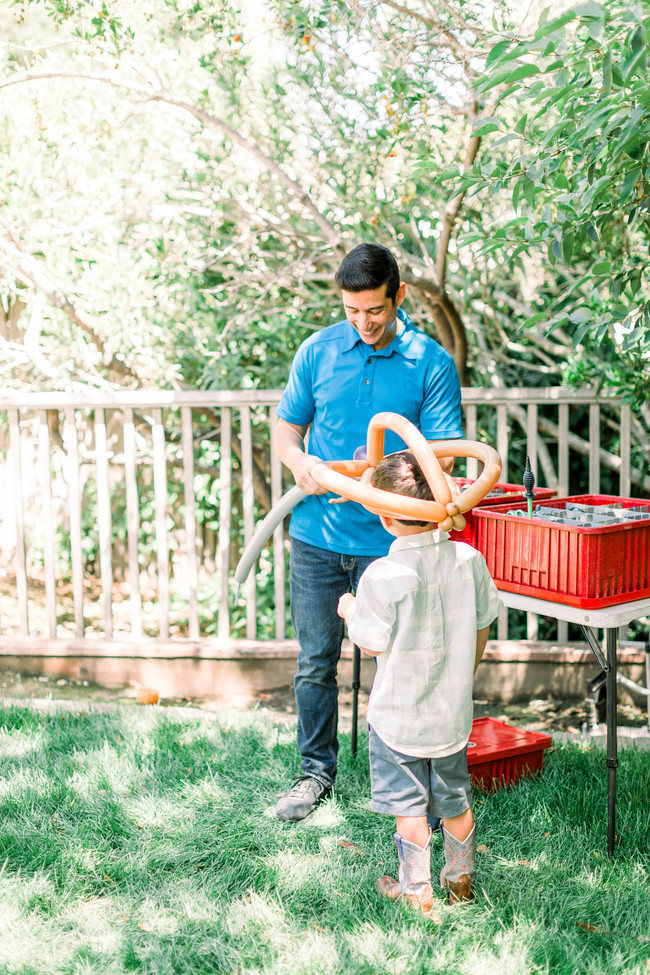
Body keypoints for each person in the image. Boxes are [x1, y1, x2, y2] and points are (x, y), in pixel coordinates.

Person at [273, 242, 463, 822]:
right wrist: (301, 464)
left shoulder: (429, 361)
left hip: (395, 542)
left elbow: (446, 460)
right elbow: (286, 429)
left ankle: (413, 783)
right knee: (315, 662)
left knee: (406, 662)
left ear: (398, 295)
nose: (362, 322)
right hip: (318, 536)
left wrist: (378, 473)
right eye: (352, 311)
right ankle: (315, 773)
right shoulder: (318, 350)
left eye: (374, 310)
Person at [337, 451, 501, 916]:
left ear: (385, 515)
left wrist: (351, 610)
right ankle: (461, 882)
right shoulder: (468, 558)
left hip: (397, 719)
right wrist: (461, 676)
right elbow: (483, 624)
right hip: (451, 714)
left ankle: (417, 890)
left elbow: (371, 642)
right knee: (454, 799)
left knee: (409, 808)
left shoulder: (382, 575)